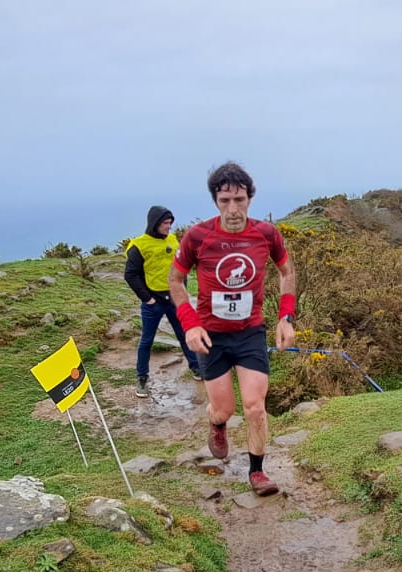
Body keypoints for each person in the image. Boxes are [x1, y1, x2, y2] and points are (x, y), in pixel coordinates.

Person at [169, 162, 297, 496]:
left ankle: (257, 472)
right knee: (224, 408)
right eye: (225, 201)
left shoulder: (267, 234)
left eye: (239, 199)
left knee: (255, 407)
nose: (233, 208)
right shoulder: (198, 236)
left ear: (250, 199)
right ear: (215, 201)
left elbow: (287, 273)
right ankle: (217, 423)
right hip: (212, 335)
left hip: (250, 332)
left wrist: (286, 317)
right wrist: (190, 324)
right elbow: (176, 279)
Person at [124, 205, 202, 397]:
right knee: (147, 341)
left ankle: (197, 368)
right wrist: (148, 299)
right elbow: (131, 275)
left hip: (174, 299)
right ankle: (142, 379)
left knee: (185, 334)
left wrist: (182, 290)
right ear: (155, 223)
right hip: (154, 302)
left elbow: (181, 265)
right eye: (165, 223)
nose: (169, 227)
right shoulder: (138, 246)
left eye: (170, 223)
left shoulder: (173, 240)